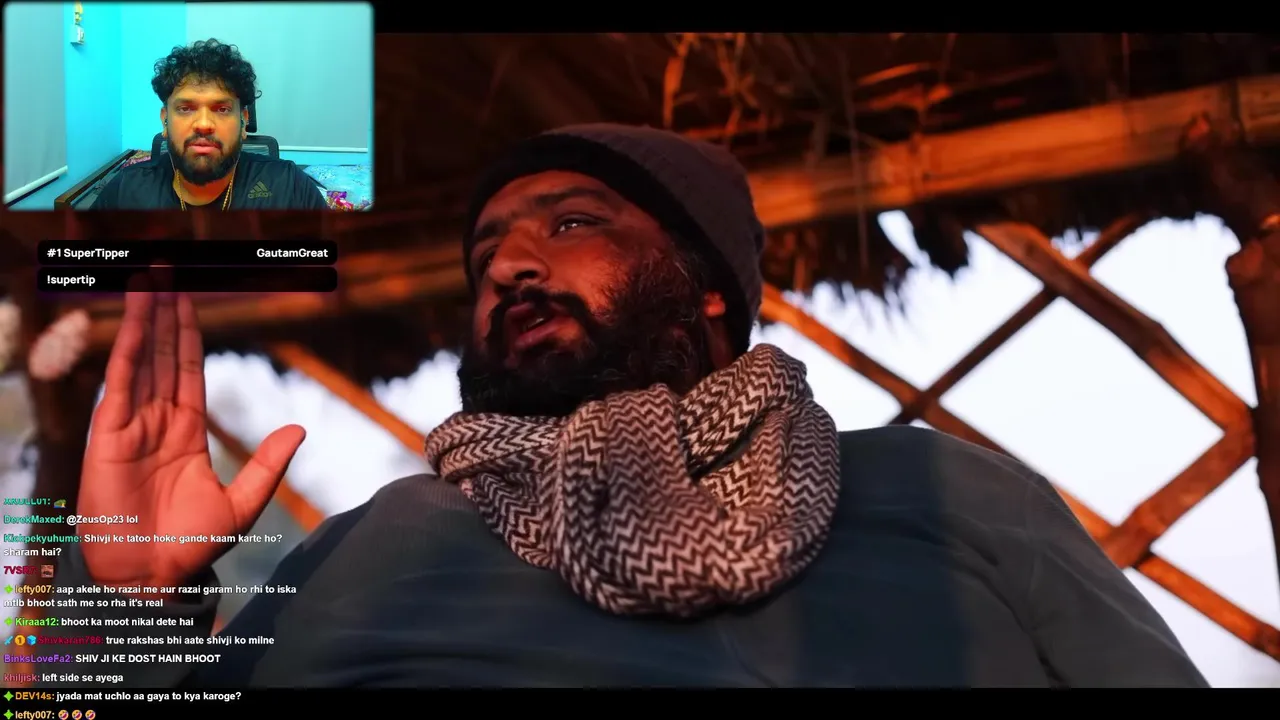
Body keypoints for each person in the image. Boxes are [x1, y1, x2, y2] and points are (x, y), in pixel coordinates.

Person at [40, 125, 1209, 687]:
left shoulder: (935, 486)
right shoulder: (372, 543)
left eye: (571, 224)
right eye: (486, 257)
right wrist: (125, 598)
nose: (510, 267)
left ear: (706, 288)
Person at [88, 39, 329, 211]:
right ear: (165, 120)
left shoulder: (289, 187)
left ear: (244, 121)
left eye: (222, 109)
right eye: (186, 108)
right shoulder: (125, 191)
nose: (203, 125)